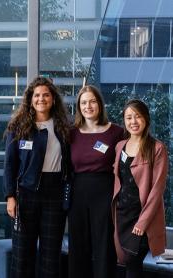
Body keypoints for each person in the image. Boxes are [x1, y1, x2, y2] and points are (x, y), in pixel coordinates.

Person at [3, 77, 71, 278]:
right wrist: (10, 196)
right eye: (37, 95)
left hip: (55, 194)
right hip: (25, 194)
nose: (42, 99)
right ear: (30, 100)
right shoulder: (18, 126)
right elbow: (9, 164)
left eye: (46, 95)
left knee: (51, 256)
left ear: (53, 99)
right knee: (22, 253)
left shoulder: (63, 127)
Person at [67, 85, 124, 278]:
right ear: (79, 107)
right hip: (77, 194)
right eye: (83, 102)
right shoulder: (71, 133)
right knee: (78, 247)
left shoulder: (116, 132)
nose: (88, 106)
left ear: (99, 104)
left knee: (104, 246)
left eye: (92, 101)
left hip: (104, 193)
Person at [112, 99, 168, 278]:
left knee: (133, 263)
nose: (133, 122)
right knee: (126, 262)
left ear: (146, 119)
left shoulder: (157, 148)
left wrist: (142, 223)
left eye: (138, 116)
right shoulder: (120, 146)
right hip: (122, 214)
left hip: (141, 217)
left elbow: (157, 189)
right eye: (129, 117)